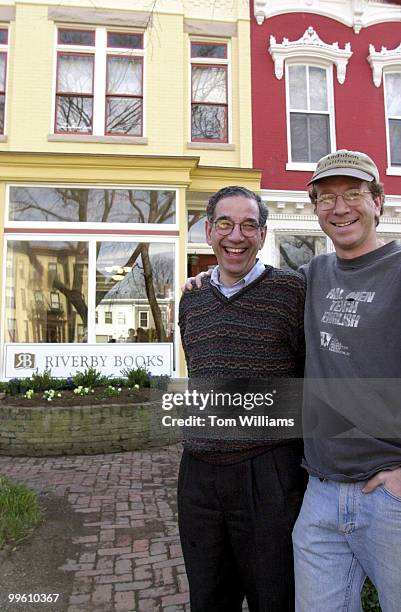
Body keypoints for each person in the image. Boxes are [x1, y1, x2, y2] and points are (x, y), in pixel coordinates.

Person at [178, 186, 306, 612]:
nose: (237, 235)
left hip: (267, 473)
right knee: (209, 597)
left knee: (274, 597)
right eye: (226, 224)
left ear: (263, 234)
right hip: (198, 476)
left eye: (249, 225)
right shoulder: (191, 299)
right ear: (209, 231)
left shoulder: (292, 292)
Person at [293, 149, 401, 612]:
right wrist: (212, 280)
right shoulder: (312, 274)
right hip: (319, 495)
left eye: (354, 195)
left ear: (378, 201)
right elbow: (251, 286)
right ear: (315, 208)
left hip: (390, 497)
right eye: (327, 198)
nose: (340, 209)